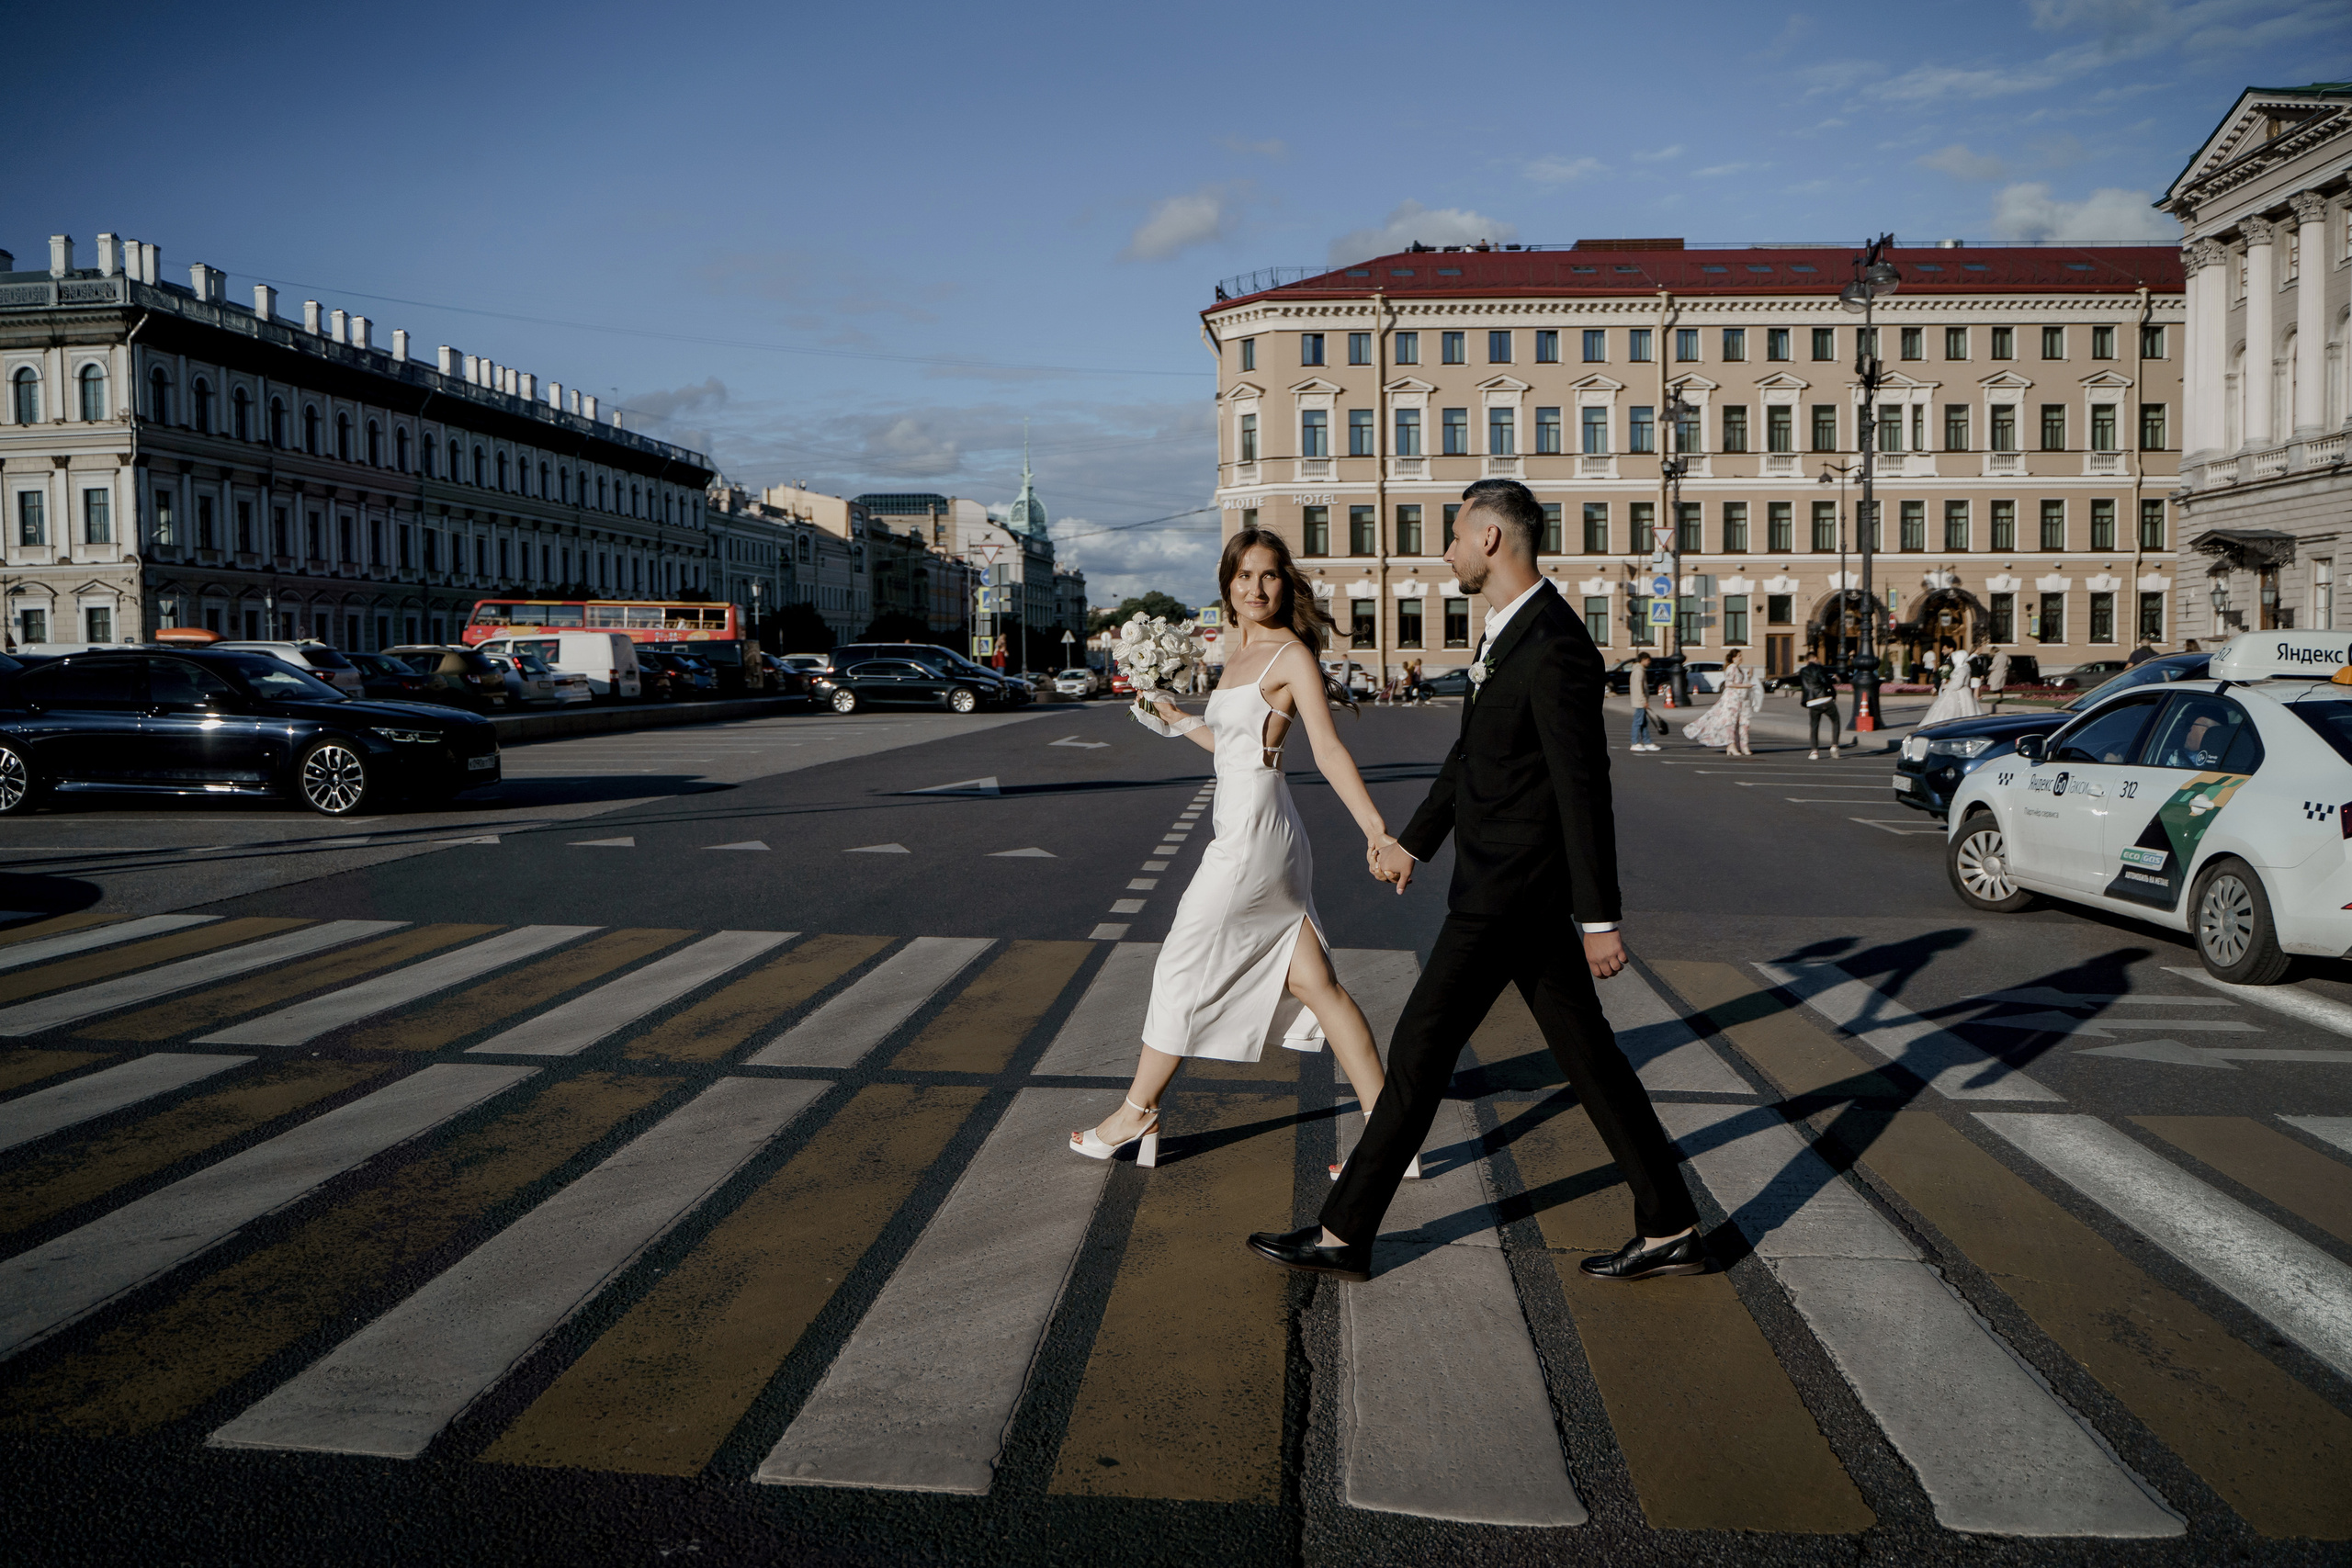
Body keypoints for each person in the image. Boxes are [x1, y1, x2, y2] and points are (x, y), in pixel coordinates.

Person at [1244, 479, 1702, 1284]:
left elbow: (1581, 786)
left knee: (1420, 1049)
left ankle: (1344, 1234)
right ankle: (1669, 1223)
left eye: (1455, 534)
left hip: (1507, 895)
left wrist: (1599, 916)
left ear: (1491, 539)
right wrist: (1412, 844)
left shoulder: (1556, 645)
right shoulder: (1508, 635)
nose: (1446, 549)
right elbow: (1470, 761)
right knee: (1589, 1058)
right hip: (1501, 891)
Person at [1075, 526, 1411, 1185]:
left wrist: (1378, 830)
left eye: (1269, 575)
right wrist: (1174, 718)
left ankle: (1136, 1111)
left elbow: (1329, 749)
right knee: (1316, 985)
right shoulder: (1238, 652)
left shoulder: (1289, 656)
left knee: (1178, 965)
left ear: (1286, 584)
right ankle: (1390, 1137)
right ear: (1227, 584)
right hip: (1249, 815)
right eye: (1243, 575)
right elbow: (1234, 749)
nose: (1255, 587)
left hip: (1255, 834)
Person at [1683, 646, 1759, 756]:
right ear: (1733, 658)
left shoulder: (1739, 669)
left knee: (1743, 723)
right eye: (1739, 656)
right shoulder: (1731, 668)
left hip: (1741, 699)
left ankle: (1743, 746)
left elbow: (1740, 681)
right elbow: (1728, 684)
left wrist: (1749, 676)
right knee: (1731, 723)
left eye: (1740, 656)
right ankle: (1731, 746)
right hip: (1731, 699)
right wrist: (1745, 685)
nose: (1741, 658)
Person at [1917, 637, 1982, 727]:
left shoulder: (1962, 670)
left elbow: (1957, 684)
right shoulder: (1961, 668)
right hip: (1959, 692)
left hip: (1959, 693)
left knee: (1953, 711)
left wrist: (1946, 686)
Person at [1797, 653, 1843, 759]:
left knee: (1814, 726)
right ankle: (1834, 746)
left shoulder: (1803, 671)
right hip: (1825, 699)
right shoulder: (1819, 668)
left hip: (1812, 702)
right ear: (1816, 659)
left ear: (1807, 661)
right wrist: (1833, 693)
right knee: (1835, 720)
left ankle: (1814, 751)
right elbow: (1824, 681)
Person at [1628, 652, 1660, 752]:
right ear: (1643, 660)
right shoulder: (1639, 671)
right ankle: (1635, 742)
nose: (1649, 662)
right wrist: (1643, 701)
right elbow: (1638, 688)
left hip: (1639, 701)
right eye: (1648, 660)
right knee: (1638, 722)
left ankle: (1647, 742)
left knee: (1643, 723)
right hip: (1639, 702)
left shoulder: (1639, 670)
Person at [1984, 646, 2011, 714]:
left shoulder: (1997, 656)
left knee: (1996, 687)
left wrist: (1988, 669)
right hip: (2004, 671)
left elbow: (1994, 665)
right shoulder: (2005, 655)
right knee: (2000, 687)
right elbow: (2010, 662)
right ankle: (2000, 698)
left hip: (1997, 672)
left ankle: (1997, 700)